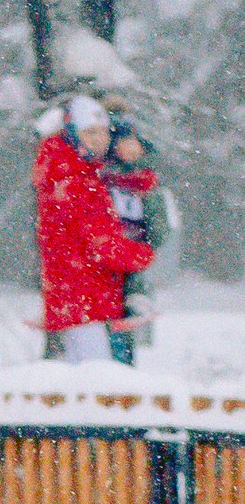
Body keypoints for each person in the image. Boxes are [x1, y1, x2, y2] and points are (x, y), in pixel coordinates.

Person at [33, 95, 153, 364]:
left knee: (87, 386)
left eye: (103, 132)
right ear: (74, 133)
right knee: (98, 386)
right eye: (90, 132)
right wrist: (144, 255)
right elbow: (102, 244)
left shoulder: (71, 174)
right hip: (86, 303)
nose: (99, 139)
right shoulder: (78, 182)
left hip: (79, 301)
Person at [101, 110, 164, 364]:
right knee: (108, 314)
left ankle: (125, 369)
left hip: (134, 254)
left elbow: (159, 222)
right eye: (124, 143)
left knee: (129, 315)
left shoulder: (147, 180)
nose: (130, 148)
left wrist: (146, 244)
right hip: (107, 255)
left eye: (133, 142)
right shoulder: (104, 178)